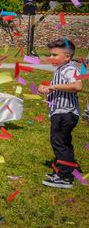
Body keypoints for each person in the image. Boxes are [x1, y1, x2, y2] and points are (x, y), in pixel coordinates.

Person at [38, 39, 83, 189]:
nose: (51, 58)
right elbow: (62, 88)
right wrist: (49, 90)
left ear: (67, 57)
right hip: (62, 112)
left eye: (55, 55)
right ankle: (68, 168)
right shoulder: (62, 69)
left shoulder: (69, 69)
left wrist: (53, 86)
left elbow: (78, 86)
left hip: (65, 113)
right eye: (50, 55)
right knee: (64, 142)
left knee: (58, 142)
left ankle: (64, 177)